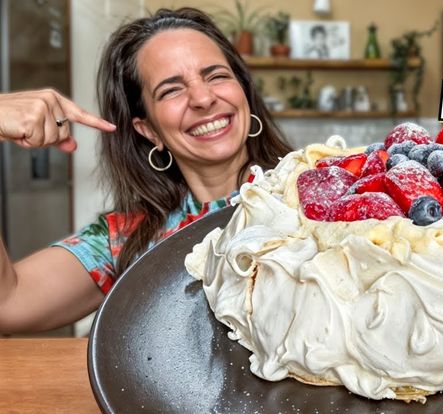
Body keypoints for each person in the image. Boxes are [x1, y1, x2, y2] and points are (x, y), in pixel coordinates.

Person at [0, 8, 293, 334]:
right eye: (171, 90)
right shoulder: (127, 239)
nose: (202, 97)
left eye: (217, 76)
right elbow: (7, 302)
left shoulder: (314, 193)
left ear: (244, 94)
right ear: (148, 130)